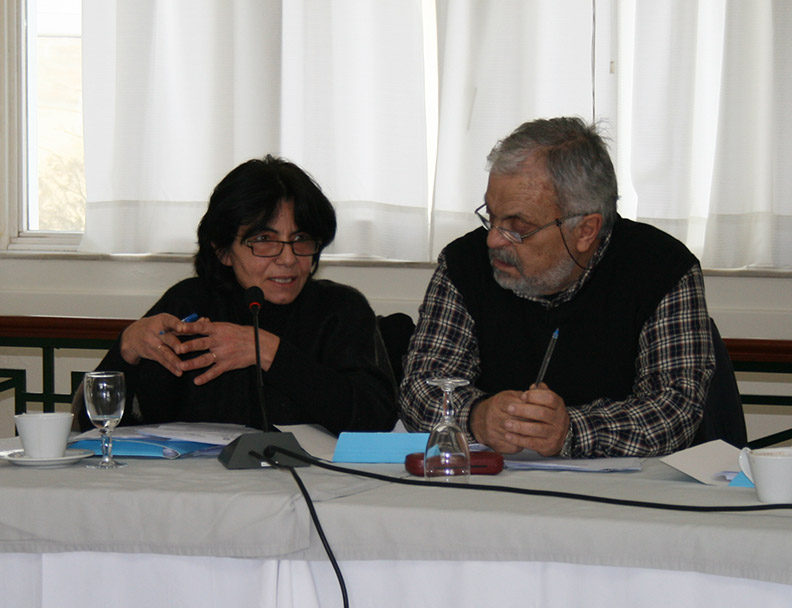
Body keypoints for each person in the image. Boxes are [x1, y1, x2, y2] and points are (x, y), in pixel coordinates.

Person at [399, 117, 715, 457]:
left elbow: (675, 409)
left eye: (518, 227)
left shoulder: (661, 268)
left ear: (585, 231)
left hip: (623, 486)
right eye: (491, 217)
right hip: (491, 481)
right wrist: (476, 416)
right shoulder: (464, 263)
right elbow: (420, 387)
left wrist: (570, 431)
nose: (493, 240)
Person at [76, 156, 398, 435]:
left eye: (301, 239)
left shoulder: (340, 309)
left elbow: (377, 421)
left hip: (314, 482)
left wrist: (270, 352)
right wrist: (127, 349)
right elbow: (91, 427)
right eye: (264, 239)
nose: (288, 259)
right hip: (196, 483)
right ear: (223, 250)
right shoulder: (188, 305)